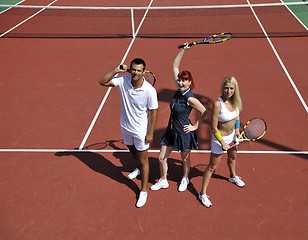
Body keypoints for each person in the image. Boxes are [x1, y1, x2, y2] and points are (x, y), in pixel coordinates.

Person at [98, 58, 158, 208]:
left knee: (144, 160)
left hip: (140, 131)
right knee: (133, 153)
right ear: (129, 70)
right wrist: (116, 70)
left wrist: (150, 132)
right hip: (125, 127)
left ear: (144, 72)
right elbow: (102, 82)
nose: (136, 72)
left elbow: (154, 113)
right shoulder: (123, 80)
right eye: (133, 70)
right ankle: (137, 169)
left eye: (139, 70)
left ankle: (143, 191)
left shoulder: (150, 90)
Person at [150, 44, 207, 192]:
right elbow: (175, 66)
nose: (181, 82)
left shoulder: (190, 98)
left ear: (189, 82)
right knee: (161, 157)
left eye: (184, 80)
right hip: (170, 130)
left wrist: (194, 126)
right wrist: (183, 50)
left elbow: (204, 111)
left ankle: (185, 178)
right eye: (180, 80)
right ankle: (163, 180)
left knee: (185, 159)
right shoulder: (178, 89)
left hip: (183, 132)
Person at [199, 76, 245, 208]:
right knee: (212, 167)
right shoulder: (218, 104)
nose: (228, 91)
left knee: (233, 157)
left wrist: (237, 130)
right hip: (220, 139)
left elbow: (237, 116)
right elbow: (213, 128)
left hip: (232, 136)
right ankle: (202, 193)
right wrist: (222, 143)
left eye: (231, 88)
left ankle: (232, 176)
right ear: (222, 88)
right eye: (226, 88)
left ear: (235, 89)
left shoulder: (235, 101)